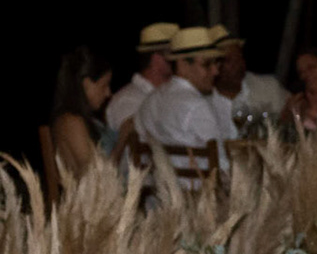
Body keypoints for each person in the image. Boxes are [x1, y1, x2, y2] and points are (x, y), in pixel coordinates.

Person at [133, 26, 237, 168]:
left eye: (216, 63)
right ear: (182, 64)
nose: (215, 71)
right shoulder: (196, 106)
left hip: (156, 188)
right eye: (206, 64)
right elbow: (222, 163)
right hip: (197, 189)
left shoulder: (150, 100)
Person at [48, 45, 114, 175]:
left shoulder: (76, 120)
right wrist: (122, 140)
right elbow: (97, 176)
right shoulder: (71, 122)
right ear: (87, 83)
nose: (108, 93)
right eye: (104, 85)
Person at [104, 22, 177, 137]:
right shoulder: (127, 100)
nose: (178, 61)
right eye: (173, 56)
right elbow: (138, 148)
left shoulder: (173, 94)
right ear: (157, 59)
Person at [211, 26, 289, 122]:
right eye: (229, 60)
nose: (238, 64)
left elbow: (296, 112)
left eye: (239, 57)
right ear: (213, 66)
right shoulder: (202, 99)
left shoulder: (268, 88)